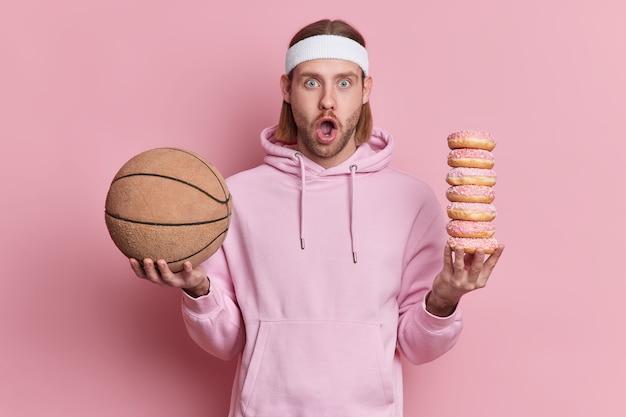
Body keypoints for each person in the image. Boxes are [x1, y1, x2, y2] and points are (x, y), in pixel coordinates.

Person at [130, 18, 504, 417]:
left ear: (365, 91)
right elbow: (225, 342)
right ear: (287, 90)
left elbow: (418, 346)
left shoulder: (412, 199)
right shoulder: (233, 197)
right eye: (311, 82)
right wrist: (198, 290)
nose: (328, 100)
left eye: (344, 83)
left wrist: (444, 299)